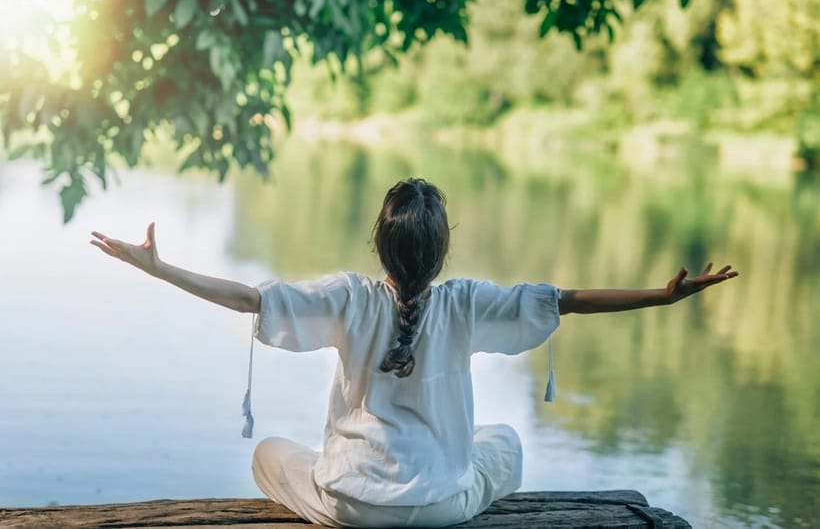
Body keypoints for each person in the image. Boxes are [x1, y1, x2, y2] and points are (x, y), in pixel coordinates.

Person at [90, 178, 738, 528]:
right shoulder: (468, 302)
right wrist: (661, 296)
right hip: (439, 507)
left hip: (350, 504)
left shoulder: (347, 297)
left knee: (268, 455)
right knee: (505, 442)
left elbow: (247, 299)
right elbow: (566, 299)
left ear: (380, 241)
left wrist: (160, 268)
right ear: (442, 247)